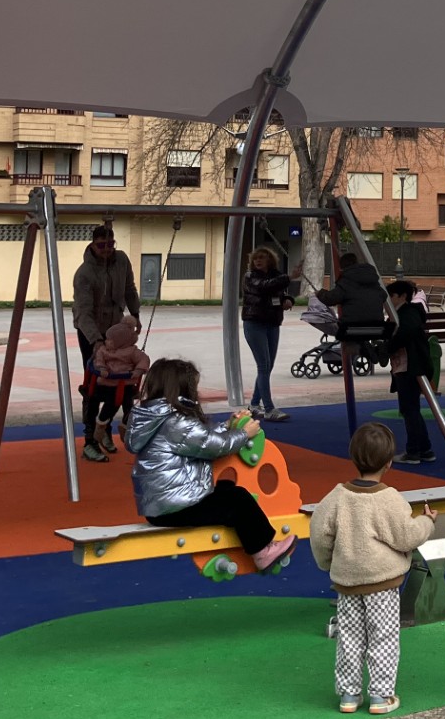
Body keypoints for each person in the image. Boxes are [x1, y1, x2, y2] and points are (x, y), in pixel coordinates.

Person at [125, 356, 297, 578]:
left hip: (160, 506)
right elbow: (213, 446)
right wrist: (244, 434)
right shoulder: (176, 422)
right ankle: (262, 549)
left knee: (224, 487)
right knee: (238, 499)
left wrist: (228, 425)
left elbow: (201, 437)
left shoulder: (155, 416)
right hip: (175, 507)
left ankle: (253, 537)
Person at [310, 421, 438, 715]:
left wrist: (328, 563)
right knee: (383, 638)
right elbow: (407, 535)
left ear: (352, 457)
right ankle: (380, 696)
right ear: (389, 463)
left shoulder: (336, 498)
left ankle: (349, 695)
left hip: (347, 583)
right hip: (383, 583)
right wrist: (427, 522)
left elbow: (319, 532)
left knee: (350, 639)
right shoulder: (389, 499)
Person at [72, 225, 139, 452]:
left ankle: (106, 430)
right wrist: (96, 341)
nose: (107, 250)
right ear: (93, 244)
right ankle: (90, 437)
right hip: (91, 331)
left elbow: (129, 288)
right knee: (96, 383)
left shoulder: (122, 261)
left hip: (116, 329)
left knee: (121, 381)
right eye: (101, 245)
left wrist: (135, 314)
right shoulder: (84, 273)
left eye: (111, 245)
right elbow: (83, 312)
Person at [82, 315, 151, 462]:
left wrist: (139, 370)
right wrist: (101, 369)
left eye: (109, 340)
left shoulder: (131, 351)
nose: (106, 342)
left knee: (129, 405)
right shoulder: (104, 350)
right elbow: (97, 359)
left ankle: (126, 425)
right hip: (107, 383)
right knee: (112, 403)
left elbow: (144, 359)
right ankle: (101, 424)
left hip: (125, 384)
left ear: (120, 341)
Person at [241, 246, 295, 423]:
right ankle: (269, 408)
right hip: (254, 323)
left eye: (262, 258)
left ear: (269, 260)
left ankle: (255, 404)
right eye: (256, 258)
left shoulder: (275, 277)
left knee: (268, 366)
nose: (258, 261)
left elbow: (278, 293)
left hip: (272, 323)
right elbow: (264, 288)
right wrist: (289, 277)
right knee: (263, 366)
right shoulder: (250, 277)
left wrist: (288, 300)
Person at [383, 279, 435, 465]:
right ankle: (425, 449)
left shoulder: (407, 314)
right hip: (408, 365)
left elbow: (404, 335)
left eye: (392, 296)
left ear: (402, 296)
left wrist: (388, 346)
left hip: (409, 366)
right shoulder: (404, 315)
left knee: (409, 409)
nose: (389, 299)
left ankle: (414, 451)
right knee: (412, 409)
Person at [321, 252, 389, 335]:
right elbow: (384, 295)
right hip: (377, 327)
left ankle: (350, 348)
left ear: (342, 267)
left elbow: (331, 299)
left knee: (329, 326)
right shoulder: (372, 280)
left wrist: (319, 293)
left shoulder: (346, 280)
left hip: (352, 328)